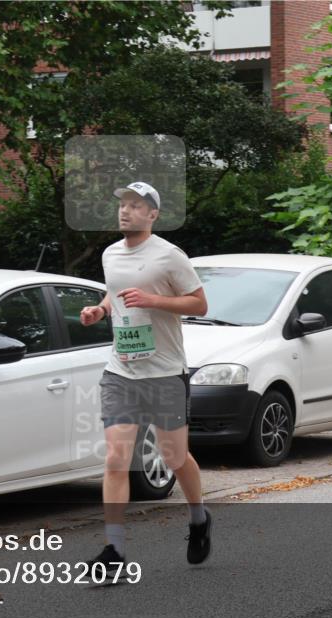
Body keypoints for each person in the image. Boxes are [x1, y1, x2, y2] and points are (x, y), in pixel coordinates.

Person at [80, 181, 212, 573]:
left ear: (153, 215)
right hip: (120, 371)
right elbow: (115, 292)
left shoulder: (169, 256)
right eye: (123, 204)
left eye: (136, 206)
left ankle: (199, 517)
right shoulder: (110, 254)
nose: (126, 211)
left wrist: (154, 300)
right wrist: (101, 310)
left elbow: (200, 304)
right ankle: (115, 550)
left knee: (174, 456)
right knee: (117, 458)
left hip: (164, 373)